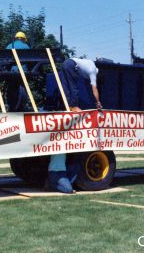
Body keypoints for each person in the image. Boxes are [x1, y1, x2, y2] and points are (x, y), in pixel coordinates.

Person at [47, 58, 102, 193]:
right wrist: (98, 102)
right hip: (72, 64)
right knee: (73, 86)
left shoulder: (86, 65)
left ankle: (68, 105)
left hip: (66, 62)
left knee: (66, 85)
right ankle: (73, 106)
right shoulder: (92, 70)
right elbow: (93, 88)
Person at [5, 31, 30, 112]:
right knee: (23, 88)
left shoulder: (9, 46)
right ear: (23, 39)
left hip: (12, 72)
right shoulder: (26, 46)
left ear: (15, 38)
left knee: (11, 88)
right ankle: (21, 106)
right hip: (23, 71)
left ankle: (11, 106)